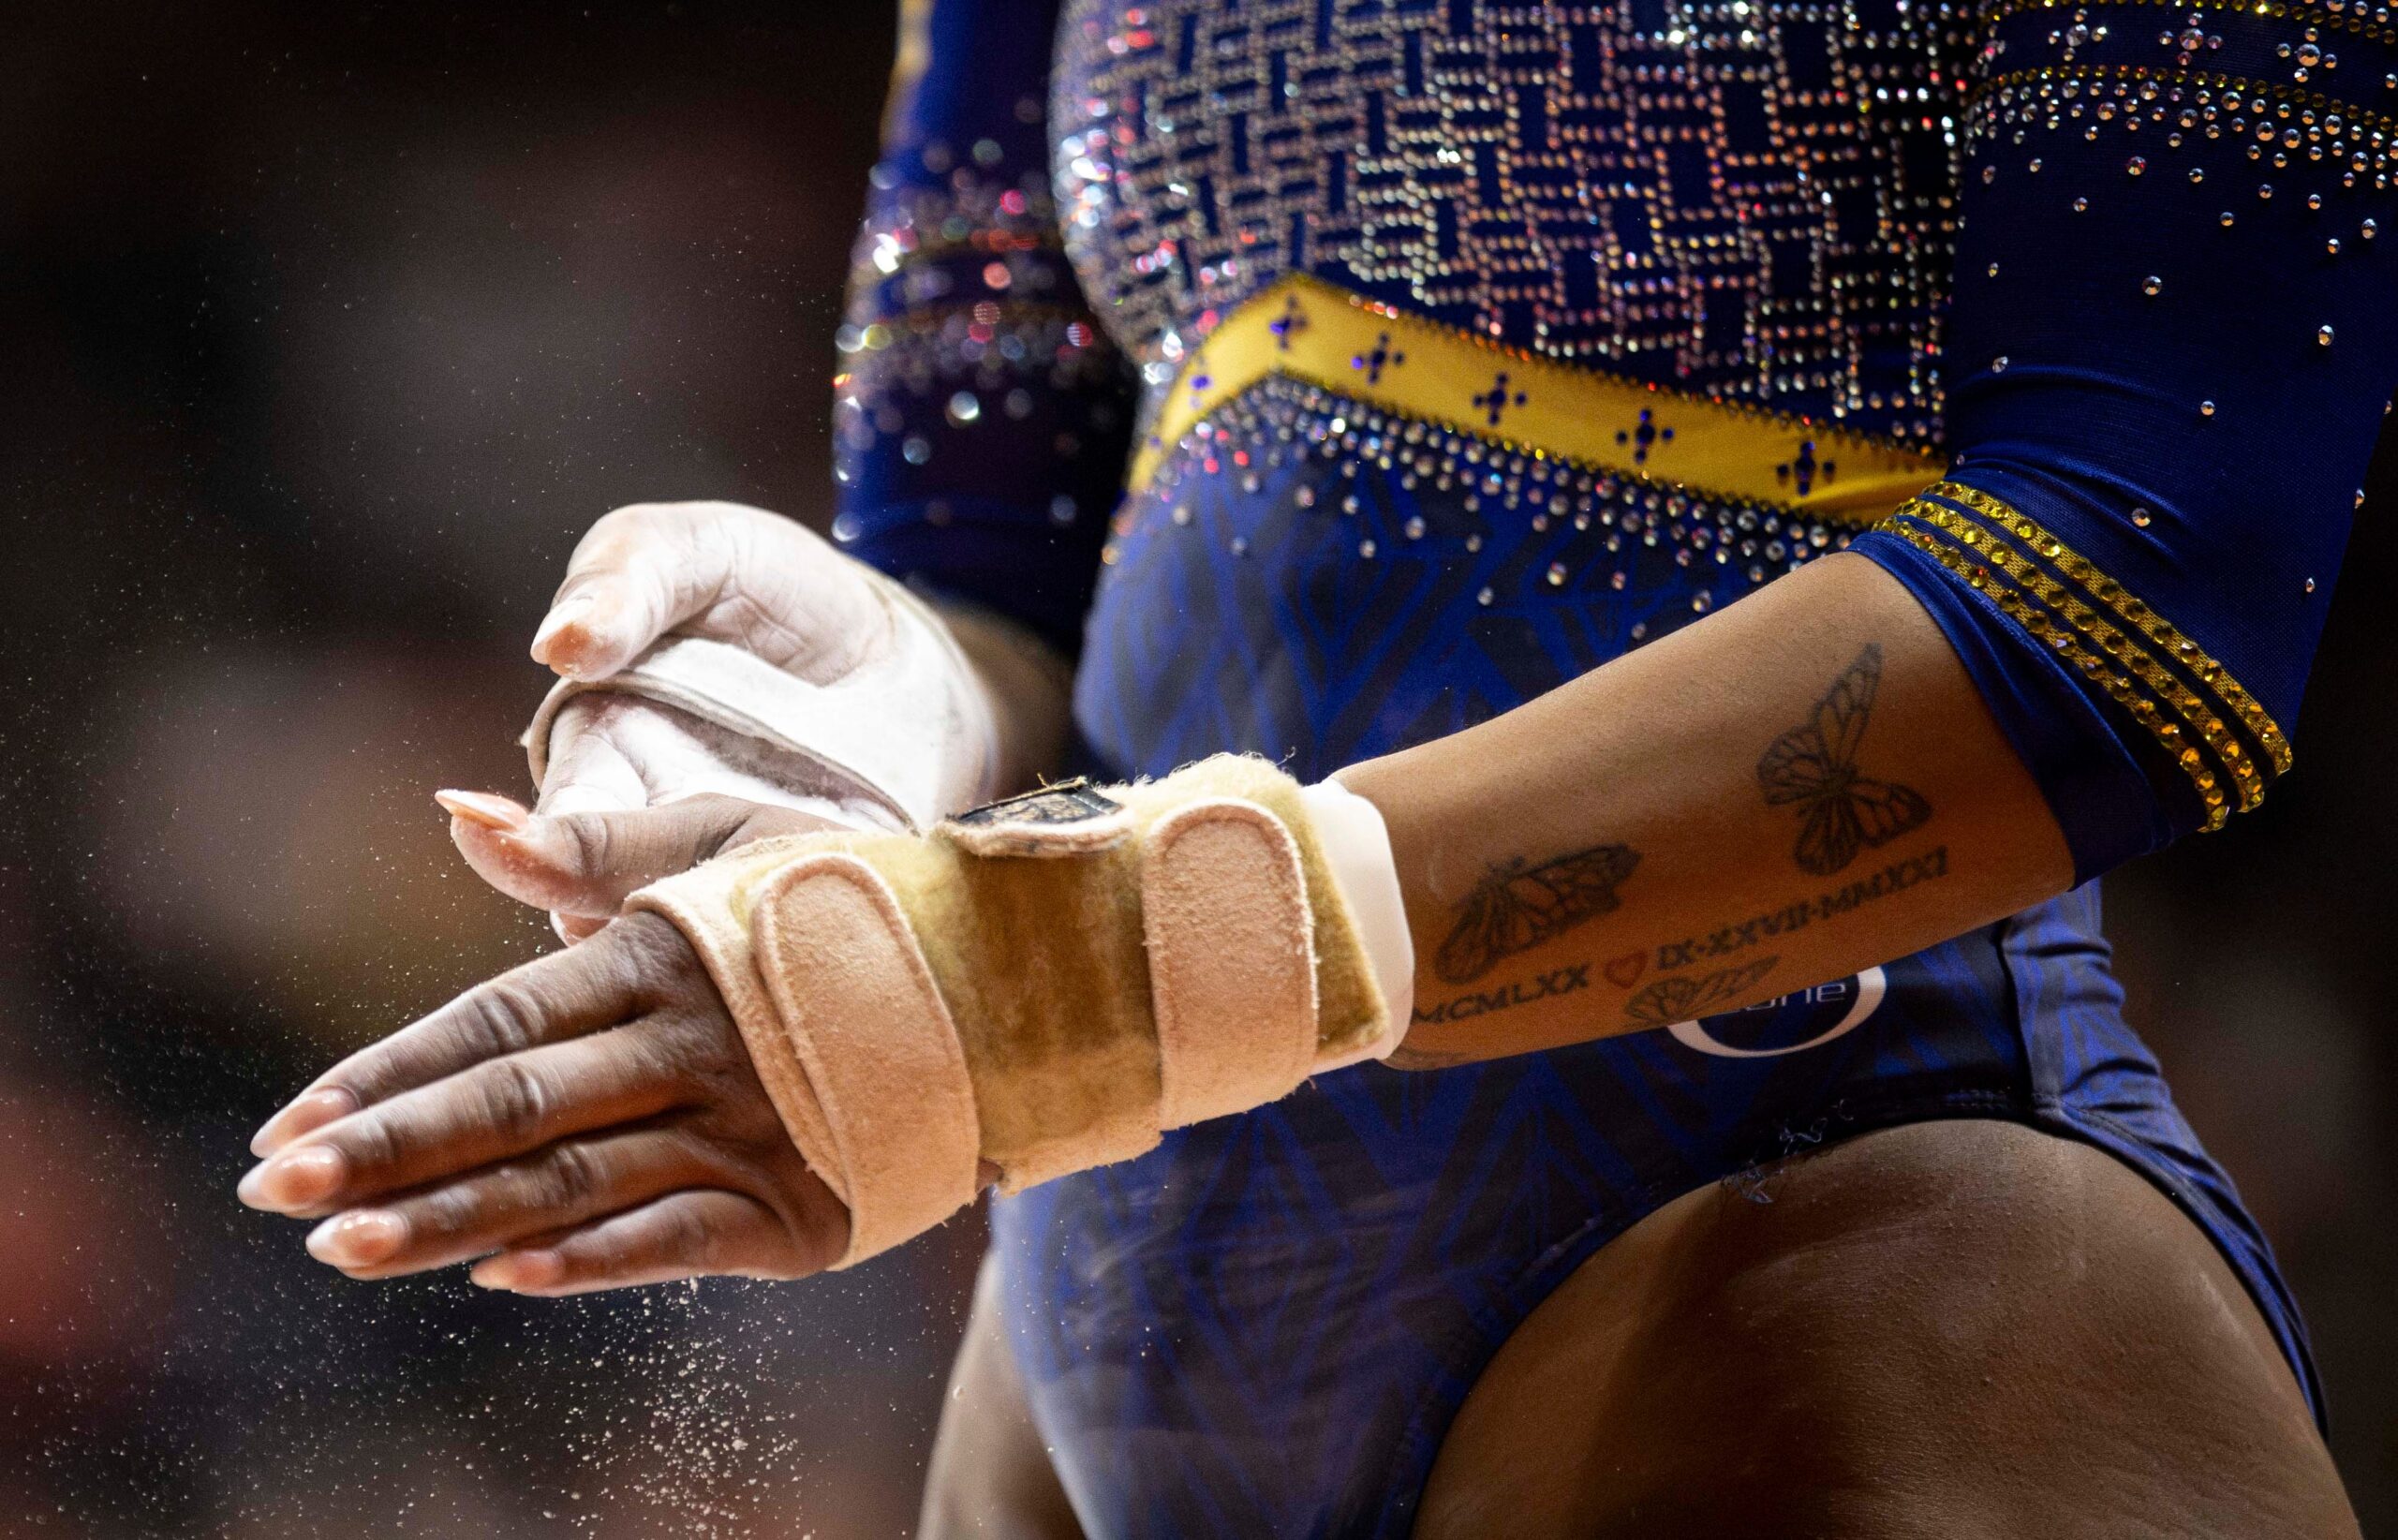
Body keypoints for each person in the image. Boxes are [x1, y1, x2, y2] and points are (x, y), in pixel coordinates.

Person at [239, 0, 2393, 1533]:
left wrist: (1086, 978)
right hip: (1097, 1358)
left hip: (1832, 1263)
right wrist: (851, 718)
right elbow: (997, 553)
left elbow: (2141, 593)